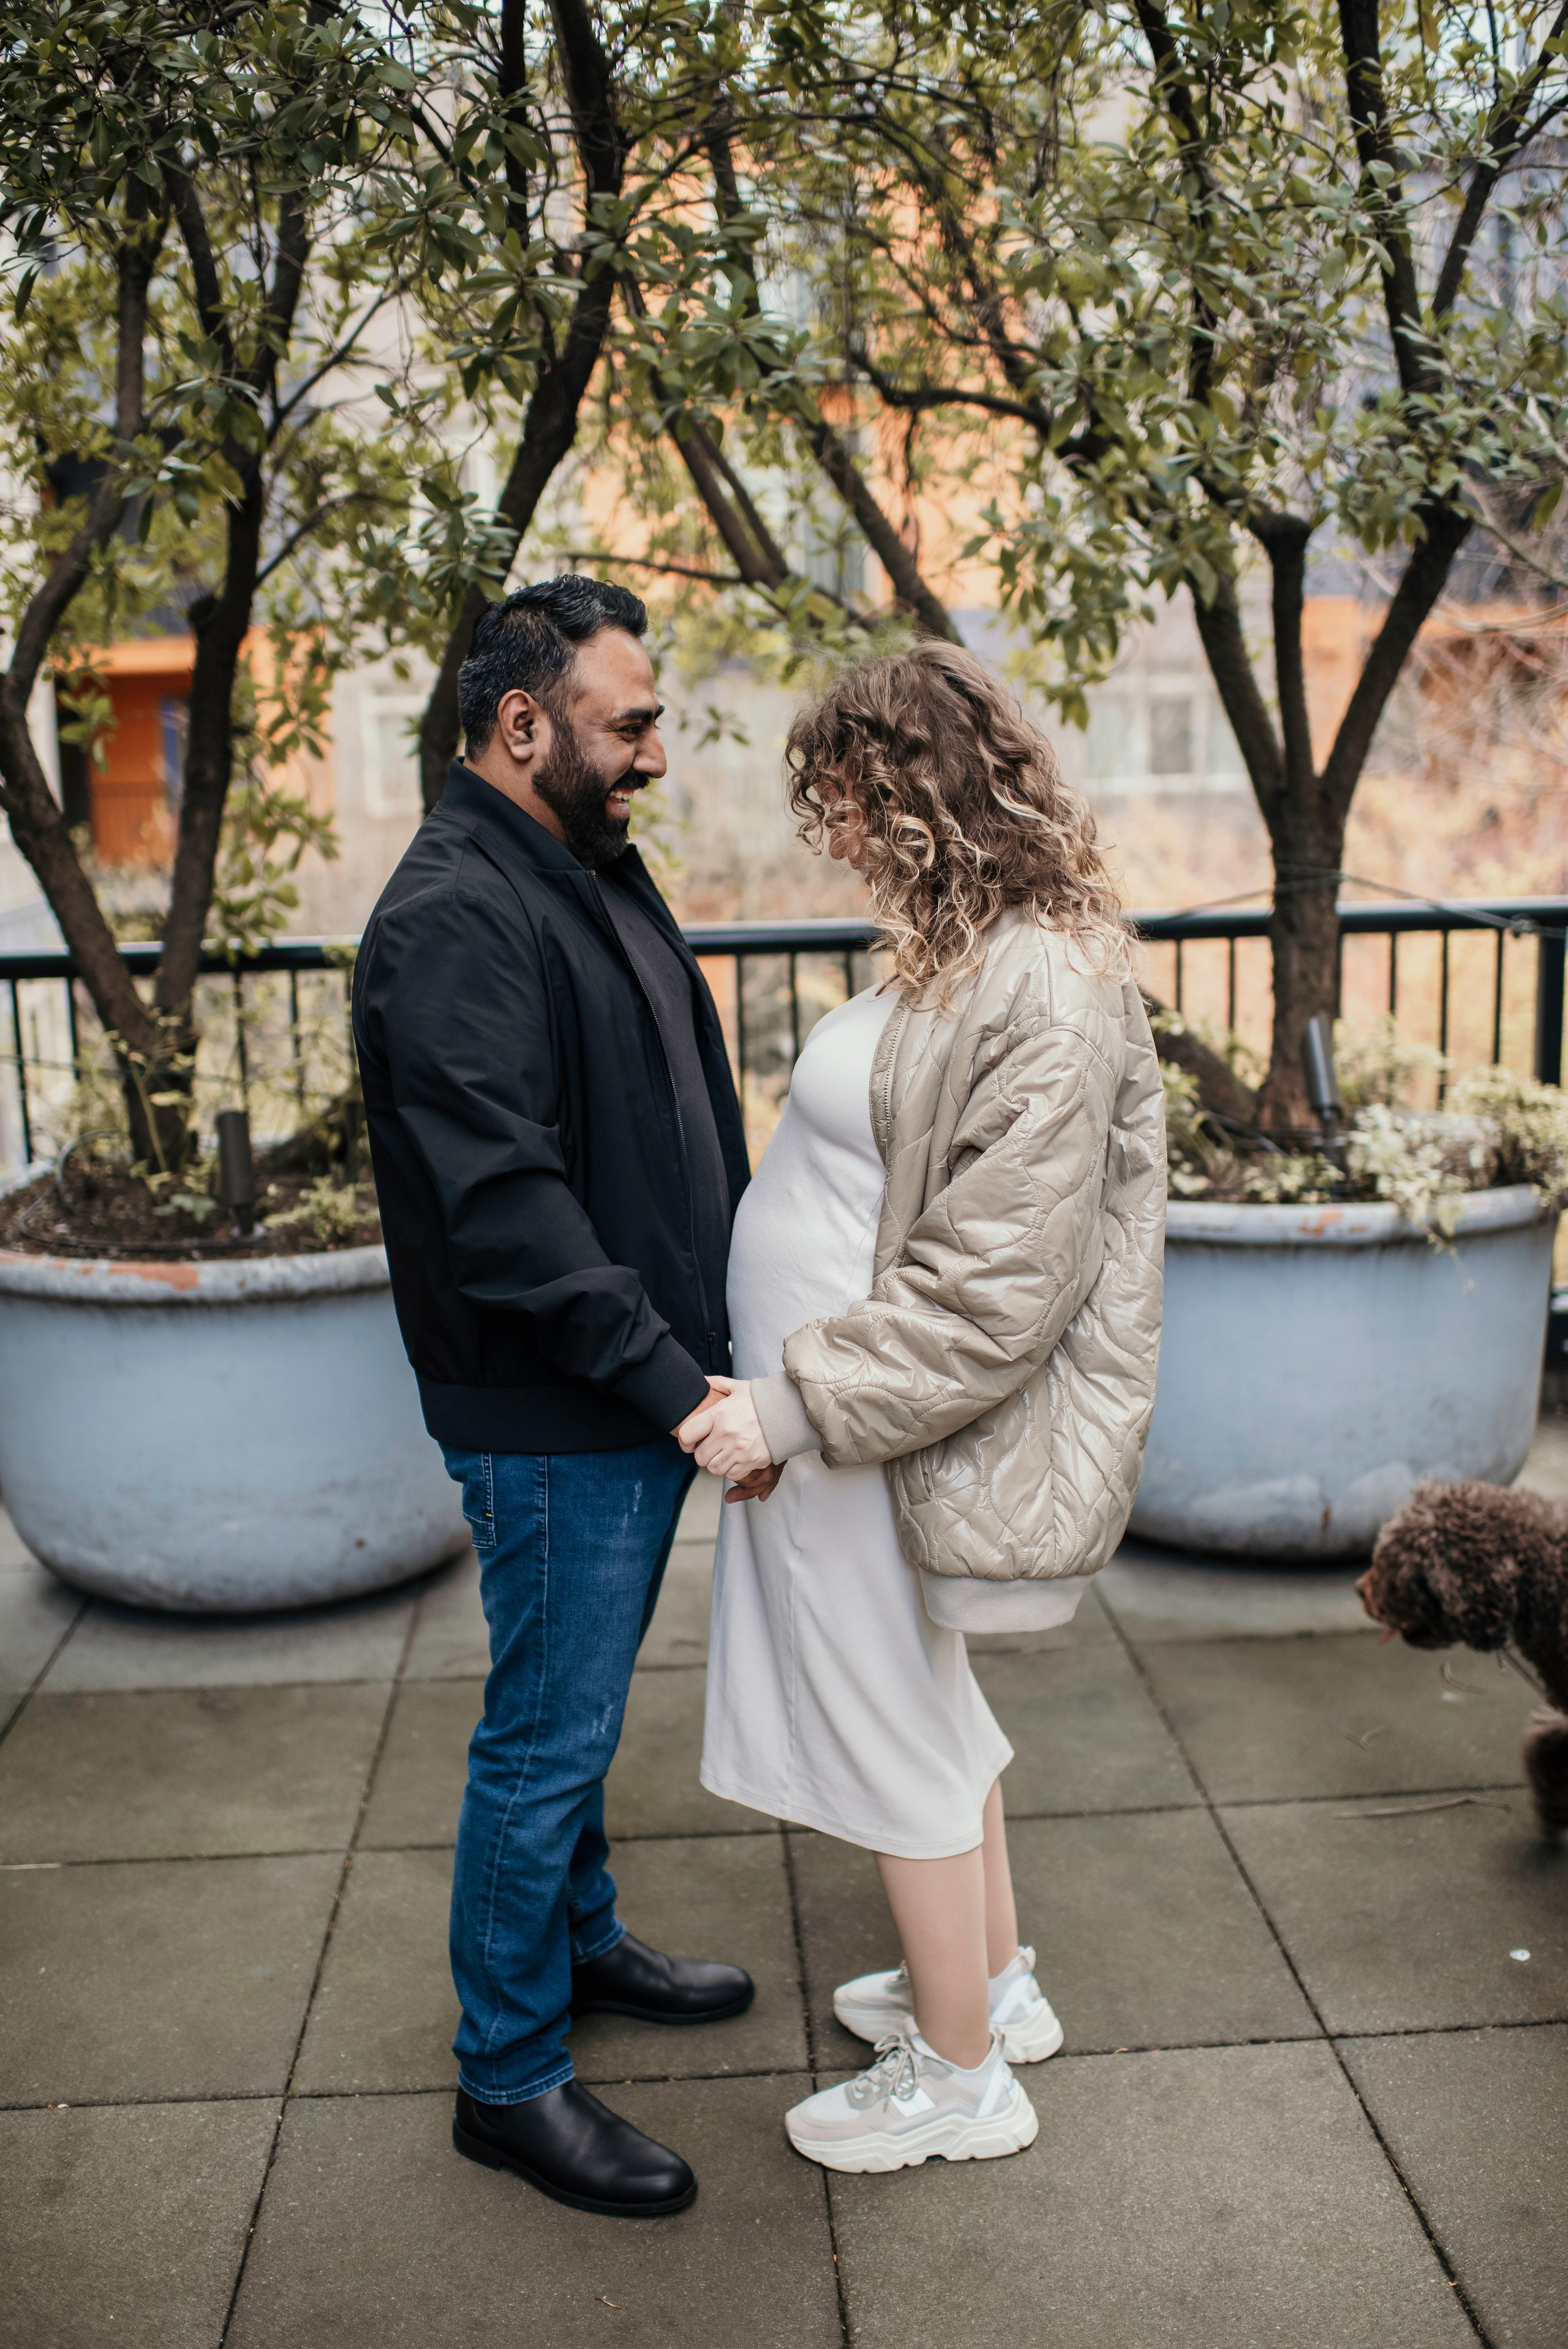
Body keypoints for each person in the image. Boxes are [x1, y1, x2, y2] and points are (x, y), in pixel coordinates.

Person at [677, 643, 1165, 2174]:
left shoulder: (1043, 982)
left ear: (922, 790)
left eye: (847, 799)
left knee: (889, 1717)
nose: (831, 832)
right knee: (930, 1705)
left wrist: (795, 1407)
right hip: (848, 1418)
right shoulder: (967, 946)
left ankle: (959, 2076)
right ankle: (990, 1984)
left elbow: (995, 1286)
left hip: (859, 1422)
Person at [353, 576, 754, 2220]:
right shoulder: (456, 910)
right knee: (544, 1735)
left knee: (571, 1718)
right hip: (561, 1408)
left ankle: (578, 1944)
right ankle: (507, 2079)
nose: (654, 752)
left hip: (626, 1392)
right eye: (630, 720)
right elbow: (506, 1206)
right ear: (525, 724)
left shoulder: (578, 863)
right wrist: (677, 1385)